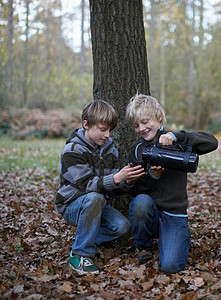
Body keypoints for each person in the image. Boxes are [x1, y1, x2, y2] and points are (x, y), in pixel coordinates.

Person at [126, 94, 218, 274]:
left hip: (174, 214)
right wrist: (152, 175)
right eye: (136, 125)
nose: (141, 128)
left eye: (145, 122)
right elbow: (134, 191)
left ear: (159, 116)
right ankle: (143, 247)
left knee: (170, 266)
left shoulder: (178, 142)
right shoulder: (136, 150)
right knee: (140, 203)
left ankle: (177, 238)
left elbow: (212, 142)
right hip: (150, 213)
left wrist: (176, 136)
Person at [55, 99, 145, 275]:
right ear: (86, 125)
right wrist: (117, 177)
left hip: (98, 203)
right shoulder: (72, 150)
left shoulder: (109, 148)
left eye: (110, 130)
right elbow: (88, 185)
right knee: (95, 196)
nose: (108, 135)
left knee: (122, 226)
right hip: (71, 205)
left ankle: (83, 239)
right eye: (103, 130)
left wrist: (127, 181)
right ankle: (80, 254)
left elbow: (110, 187)